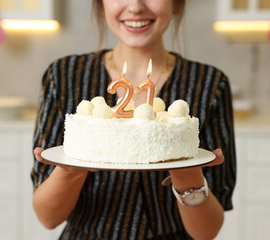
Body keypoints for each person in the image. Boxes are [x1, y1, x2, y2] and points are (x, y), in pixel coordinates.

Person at [32, 0, 236, 239]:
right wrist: (71, 170)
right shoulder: (64, 76)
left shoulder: (210, 84)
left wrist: (188, 175)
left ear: (177, 4)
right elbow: (48, 218)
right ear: (101, 4)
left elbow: (206, 232)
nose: (136, 7)